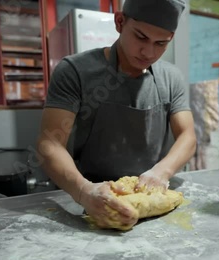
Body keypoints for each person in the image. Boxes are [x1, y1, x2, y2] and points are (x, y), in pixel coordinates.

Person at [36, 0, 196, 228]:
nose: (149, 52)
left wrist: (162, 171)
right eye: (140, 37)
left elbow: (188, 136)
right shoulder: (75, 71)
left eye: (161, 43)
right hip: (92, 194)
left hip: (152, 192)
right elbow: (49, 143)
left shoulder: (171, 78)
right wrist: (83, 192)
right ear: (120, 22)